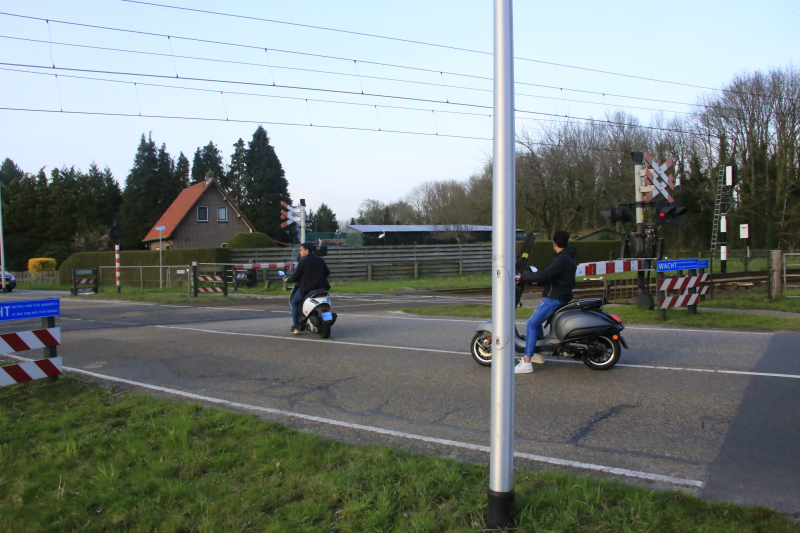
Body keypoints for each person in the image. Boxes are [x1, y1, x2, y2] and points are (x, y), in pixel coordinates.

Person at [514, 230, 577, 374]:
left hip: (555, 298)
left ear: (554, 244)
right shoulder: (568, 258)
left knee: (531, 323)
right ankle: (537, 354)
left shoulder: (561, 259)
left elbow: (546, 274)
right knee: (536, 323)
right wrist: (533, 279)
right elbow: (552, 277)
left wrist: (522, 277)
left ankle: (527, 361)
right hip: (561, 295)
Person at [285, 242, 330, 334]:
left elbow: (296, 276)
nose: (300, 252)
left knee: (294, 302)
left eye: (301, 250)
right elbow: (327, 273)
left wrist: (287, 279)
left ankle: (295, 326)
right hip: (322, 288)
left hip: (307, 289)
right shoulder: (320, 260)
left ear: (307, 251)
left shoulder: (303, 262)